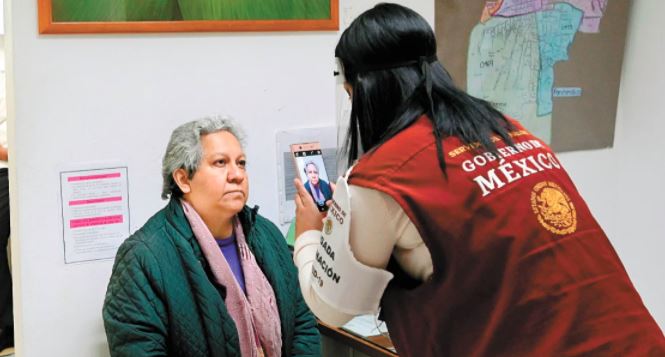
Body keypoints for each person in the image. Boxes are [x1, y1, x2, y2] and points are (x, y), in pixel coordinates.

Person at [292, 3, 665, 357]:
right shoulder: (509, 132)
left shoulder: (383, 177)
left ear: (362, 88)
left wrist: (309, 233)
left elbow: (332, 306)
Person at [103, 116, 320, 357]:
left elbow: (301, 322)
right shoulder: (143, 258)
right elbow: (139, 348)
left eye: (241, 163)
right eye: (220, 163)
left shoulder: (266, 235)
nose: (237, 175)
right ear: (184, 179)